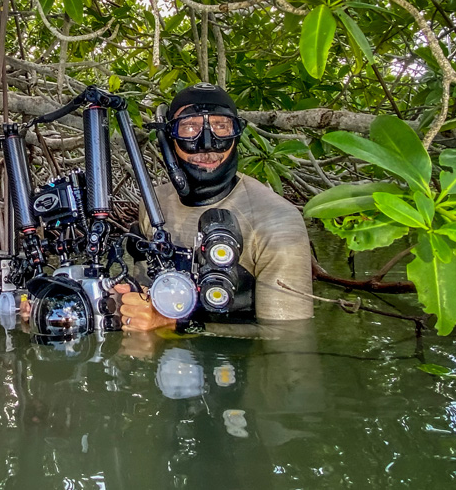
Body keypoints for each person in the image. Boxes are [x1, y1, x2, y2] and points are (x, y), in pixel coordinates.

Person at [115, 83, 313, 334]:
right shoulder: (154, 203)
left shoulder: (276, 220)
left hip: (240, 366)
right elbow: (145, 295)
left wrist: (176, 326)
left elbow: (288, 339)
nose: (206, 144)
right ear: (168, 138)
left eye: (221, 126)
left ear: (237, 134)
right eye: (189, 127)